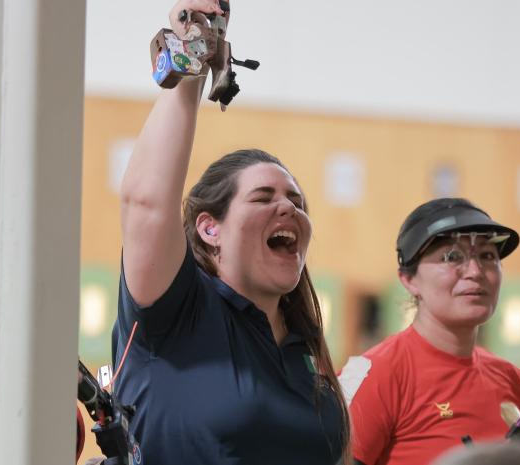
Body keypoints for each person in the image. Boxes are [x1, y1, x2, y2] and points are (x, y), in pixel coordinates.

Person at [111, 1, 347, 464]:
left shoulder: (305, 348)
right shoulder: (175, 315)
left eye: (297, 202)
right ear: (209, 228)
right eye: (263, 198)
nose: (288, 208)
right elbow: (146, 203)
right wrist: (191, 58)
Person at [339, 198, 520, 465]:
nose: (476, 271)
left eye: (487, 256)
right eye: (452, 257)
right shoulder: (374, 374)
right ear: (408, 280)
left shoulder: (513, 379)